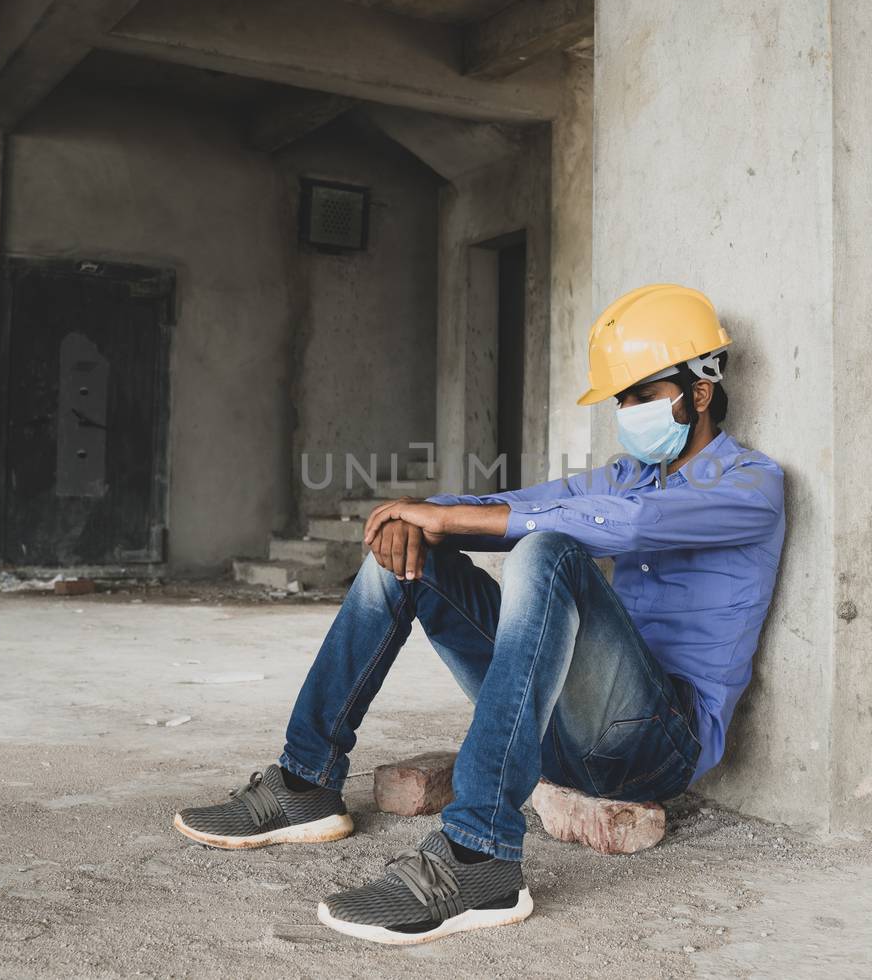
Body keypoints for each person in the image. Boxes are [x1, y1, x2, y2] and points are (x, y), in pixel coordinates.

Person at [173, 284, 786, 945]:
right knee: (410, 557)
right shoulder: (624, 474)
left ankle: (479, 857)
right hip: (561, 729)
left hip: (656, 747)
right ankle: (305, 783)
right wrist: (418, 514)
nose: (629, 412)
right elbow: (516, 503)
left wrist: (442, 516)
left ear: (699, 392)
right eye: (622, 399)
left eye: (644, 395)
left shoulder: (752, 485)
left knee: (550, 549)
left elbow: (628, 527)